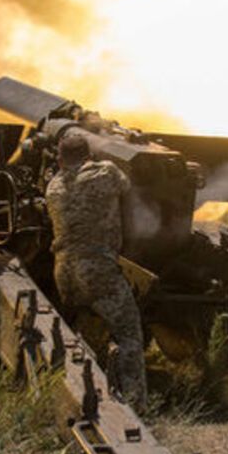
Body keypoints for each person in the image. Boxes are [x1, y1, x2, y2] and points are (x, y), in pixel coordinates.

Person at [45, 131, 147, 410]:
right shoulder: (106, 173)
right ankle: (133, 404)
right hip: (98, 271)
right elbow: (128, 187)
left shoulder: (52, 186)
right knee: (128, 334)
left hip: (64, 272)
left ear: (59, 160)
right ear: (89, 156)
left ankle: (80, 393)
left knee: (84, 332)